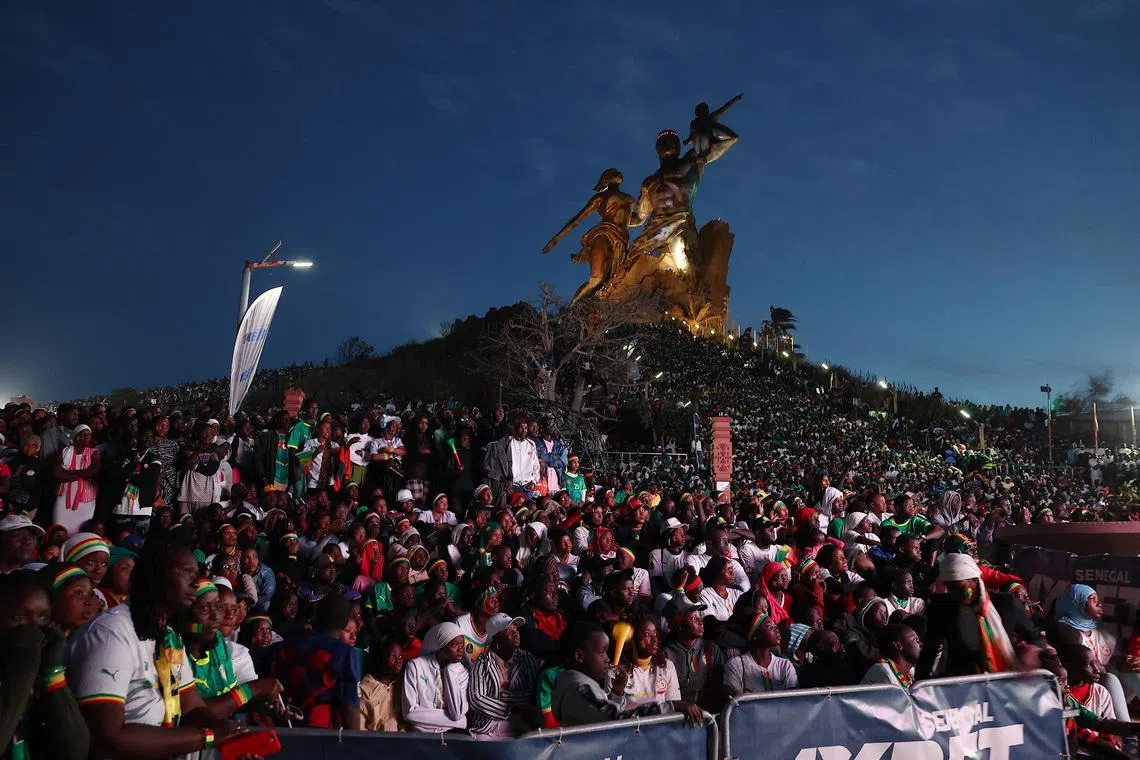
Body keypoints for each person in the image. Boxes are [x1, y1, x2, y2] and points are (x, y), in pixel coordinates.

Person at [66, 540, 250, 759]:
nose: (195, 583)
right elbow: (109, 735)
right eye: (187, 573)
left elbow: (191, 708)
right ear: (157, 578)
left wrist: (233, 735)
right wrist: (207, 737)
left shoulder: (169, 636)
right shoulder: (110, 633)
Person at [0, 570, 90, 760]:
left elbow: (75, 751)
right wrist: (23, 665)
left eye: (43, 618)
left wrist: (52, 667)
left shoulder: (41, 672)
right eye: (18, 617)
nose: (33, 630)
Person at [917, 553, 1043, 678]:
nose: (954, 594)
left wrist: (1032, 651)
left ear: (975, 580)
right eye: (950, 588)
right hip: (964, 687)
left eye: (959, 587)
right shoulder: (943, 610)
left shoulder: (1006, 605)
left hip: (1007, 682)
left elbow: (1035, 637)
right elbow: (928, 654)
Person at [271, 592, 363, 729]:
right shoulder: (345, 653)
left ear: (317, 616)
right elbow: (350, 706)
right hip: (321, 735)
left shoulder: (288, 641)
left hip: (284, 727)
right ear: (344, 623)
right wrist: (356, 744)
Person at [551, 622, 665, 726]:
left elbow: (603, 715)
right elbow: (617, 719)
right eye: (602, 652)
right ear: (579, 656)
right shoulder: (580, 689)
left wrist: (617, 693)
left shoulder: (576, 685)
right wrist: (667, 709)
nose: (607, 658)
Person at [467, 613, 540, 739]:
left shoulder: (527, 659)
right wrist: (508, 711)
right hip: (487, 728)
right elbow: (477, 698)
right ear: (496, 638)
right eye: (508, 630)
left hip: (519, 726)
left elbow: (533, 696)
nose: (515, 633)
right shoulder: (483, 662)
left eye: (515, 629)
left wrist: (505, 696)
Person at [401, 621, 470, 733]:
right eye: (454, 645)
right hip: (421, 733)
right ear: (440, 645)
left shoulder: (462, 673)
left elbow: (457, 713)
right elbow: (409, 713)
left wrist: (450, 671)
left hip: (451, 734)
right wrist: (457, 721)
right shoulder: (415, 666)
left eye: (462, 644)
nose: (460, 649)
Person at [724, 612, 799, 696]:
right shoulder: (736, 665)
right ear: (754, 635)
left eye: (775, 625)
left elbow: (793, 701)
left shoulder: (785, 665)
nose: (776, 628)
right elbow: (737, 704)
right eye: (769, 626)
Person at [52, 425, 100, 535]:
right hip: (64, 497)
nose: (85, 437)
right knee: (59, 528)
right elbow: (57, 475)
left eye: (88, 435)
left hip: (86, 499)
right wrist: (84, 474)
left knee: (82, 530)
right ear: (75, 436)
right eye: (82, 435)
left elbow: (93, 472)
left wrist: (67, 473)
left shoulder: (94, 453)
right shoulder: (63, 452)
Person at [359, 638, 406, 732]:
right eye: (393, 656)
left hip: (400, 743)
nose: (398, 661)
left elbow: (407, 722)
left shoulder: (403, 686)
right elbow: (360, 727)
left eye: (400, 656)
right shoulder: (364, 688)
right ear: (380, 656)